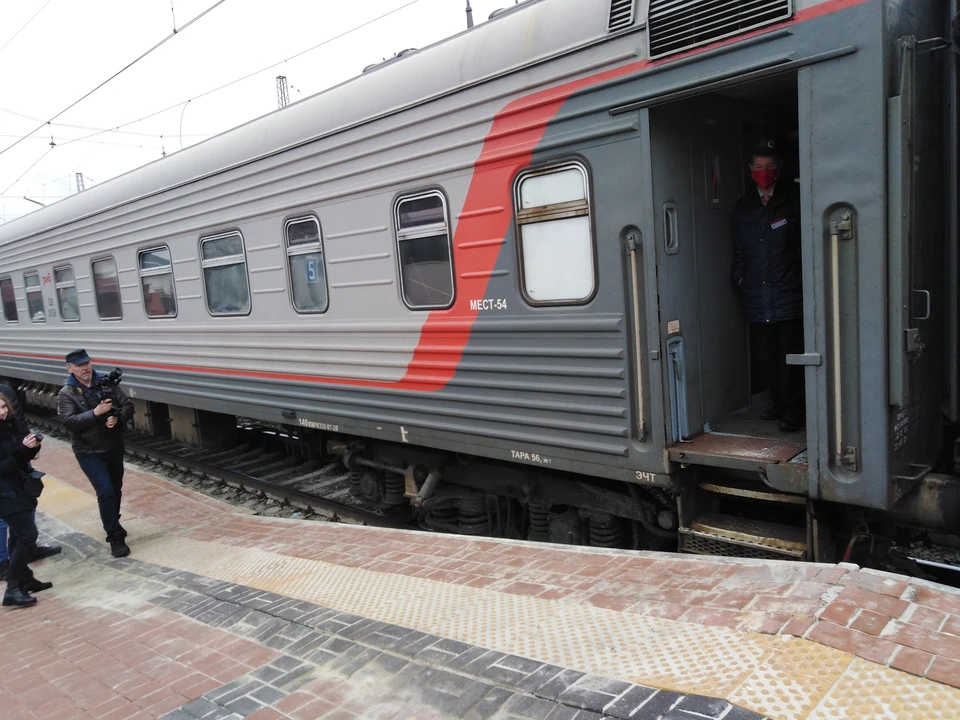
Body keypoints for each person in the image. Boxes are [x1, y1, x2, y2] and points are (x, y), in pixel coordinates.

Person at [730, 139, 805, 432]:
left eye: (769, 166)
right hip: (757, 296)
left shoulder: (794, 200)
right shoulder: (743, 209)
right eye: (759, 167)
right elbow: (738, 252)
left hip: (789, 294)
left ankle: (794, 412)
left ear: (779, 168)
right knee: (768, 358)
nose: (764, 171)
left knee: (791, 358)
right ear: (751, 170)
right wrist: (740, 279)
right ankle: (778, 405)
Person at [57, 350, 134, 557]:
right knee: (106, 490)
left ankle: (113, 521)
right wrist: (95, 413)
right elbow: (68, 423)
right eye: (79, 365)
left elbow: (127, 405)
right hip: (88, 451)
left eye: (87, 363)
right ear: (70, 368)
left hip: (113, 447)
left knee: (115, 488)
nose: (85, 368)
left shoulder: (107, 383)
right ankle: (114, 537)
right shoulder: (67, 393)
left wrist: (117, 418)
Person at [0, 382, 60, 581]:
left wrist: (31, 445)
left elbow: (18, 420)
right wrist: (22, 452)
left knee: (27, 509)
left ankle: (25, 567)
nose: (2, 411)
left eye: (2, 407)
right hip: (4, 481)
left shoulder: (6, 390)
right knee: (11, 523)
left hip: (18, 465)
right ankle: (4, 564)